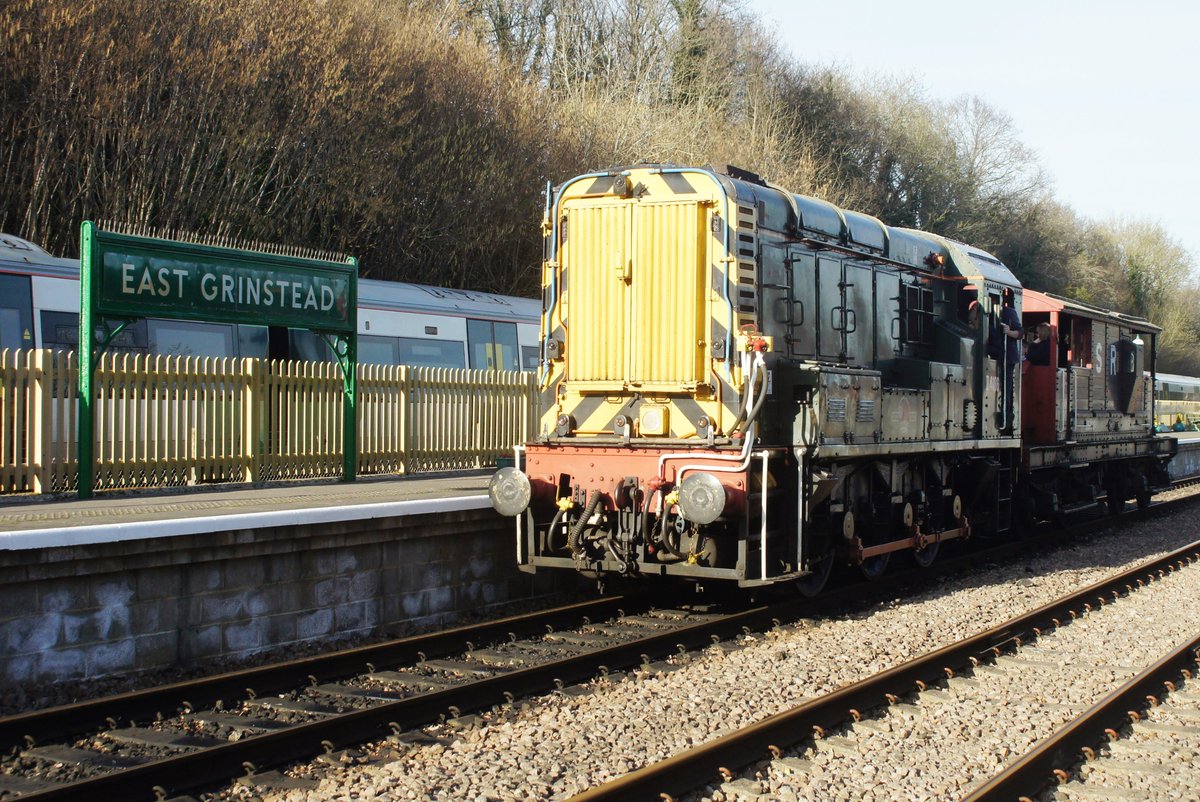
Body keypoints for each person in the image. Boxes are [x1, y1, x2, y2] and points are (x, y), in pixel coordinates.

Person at [968, 293, 1022, 434]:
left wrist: (1008, 332)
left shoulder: (1009, 312)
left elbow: (1020, 333)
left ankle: (1007, 417)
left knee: (1007, 387)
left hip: (1007, 356)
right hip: (994, 351)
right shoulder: (981, 316)